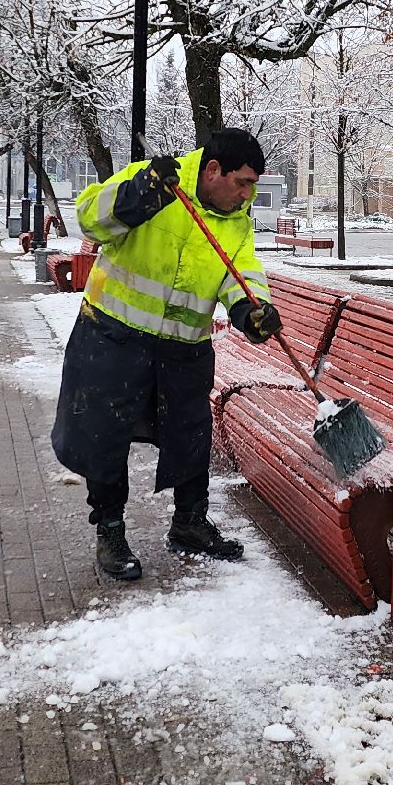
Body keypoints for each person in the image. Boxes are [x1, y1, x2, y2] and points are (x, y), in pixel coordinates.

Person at [51, 128, 282, 580]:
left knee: (191, 436)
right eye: (243, 182)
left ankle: (190, 523)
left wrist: (250, 308)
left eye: (252, 184)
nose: (247, 193)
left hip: (184, 347)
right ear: (213, 170)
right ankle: (111, 531)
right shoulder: (155, 182)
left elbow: (242, 272)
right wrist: (136, 196)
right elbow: (90, 219)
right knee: (105, 436)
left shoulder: (237, 220)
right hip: (113, 337)